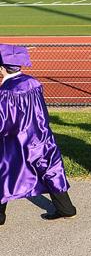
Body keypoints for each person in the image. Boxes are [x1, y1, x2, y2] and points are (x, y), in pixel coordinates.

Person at [0, 44, 77, 225]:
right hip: (40, 135)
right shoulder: (33, 82)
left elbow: (5, 122)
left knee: (4, 172)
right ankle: (66, 209)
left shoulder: (6, 91)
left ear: (2, 67)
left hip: (16, 141)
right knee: (49, 169)